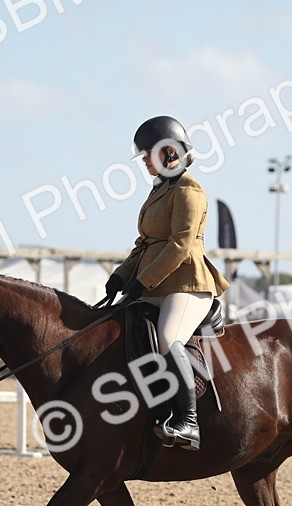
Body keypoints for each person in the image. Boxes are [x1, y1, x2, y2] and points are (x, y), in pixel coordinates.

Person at [107, 116, 230, 451]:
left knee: (167, 337)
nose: (145, 161)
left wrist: (142, 280)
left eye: (149, 154)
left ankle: (188, 422)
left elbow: (180, 245)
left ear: (170, 152)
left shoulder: (190, 191)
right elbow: (145, 243)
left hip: (188, 285)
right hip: (155, 285)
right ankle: (154, 408)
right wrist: (120, 275)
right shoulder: (160, 190)